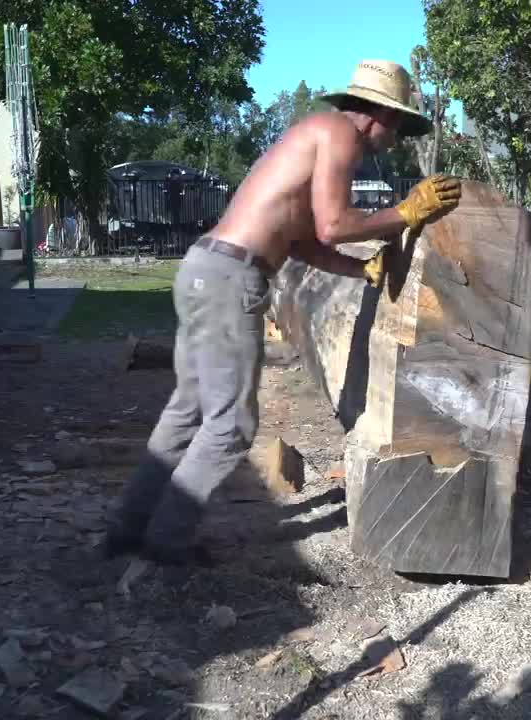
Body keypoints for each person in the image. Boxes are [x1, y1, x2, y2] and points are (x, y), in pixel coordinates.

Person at [104, 59, 462, 565]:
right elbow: (335, 224)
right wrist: (404, 214)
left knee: (187, 413)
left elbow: (304, 239)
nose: (397, 136)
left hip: (206, 269)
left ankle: (128, 528)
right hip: (230, 279)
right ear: (377, 114)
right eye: (399, 124)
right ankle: (165, 541)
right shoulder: (339, 132)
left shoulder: (311, 136)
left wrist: (358, 271)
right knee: (231, 427)